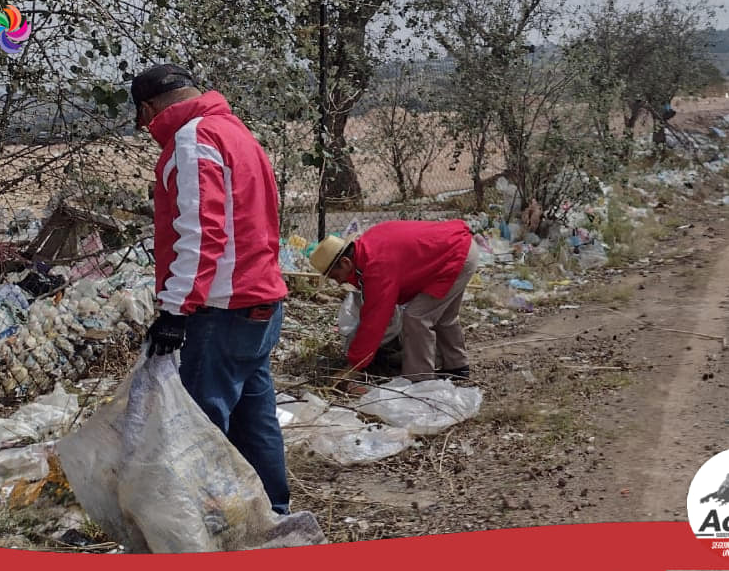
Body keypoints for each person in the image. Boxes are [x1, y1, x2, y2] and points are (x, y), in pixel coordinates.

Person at [131, 64, 290, 514]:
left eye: (144, 121)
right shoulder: (235, 131)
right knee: (255, 419)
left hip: (219, 307)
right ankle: (274, 517)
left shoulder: (193, 138)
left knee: (200, 424)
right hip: (260, 301)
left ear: (148, 109)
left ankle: (209, 529)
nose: (147, 131)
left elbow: (201, 232)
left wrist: (175, 310)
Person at [309, 219, 478, 381]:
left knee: (416, 317)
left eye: (336, 276)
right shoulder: (368, 248)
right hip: (458, 247)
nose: (339, 282)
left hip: (456, 255)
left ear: (346, 262)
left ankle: (420, 380)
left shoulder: (376, 267)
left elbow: (374, 321)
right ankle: (457, 367)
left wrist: (354, 365)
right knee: (443, 316)